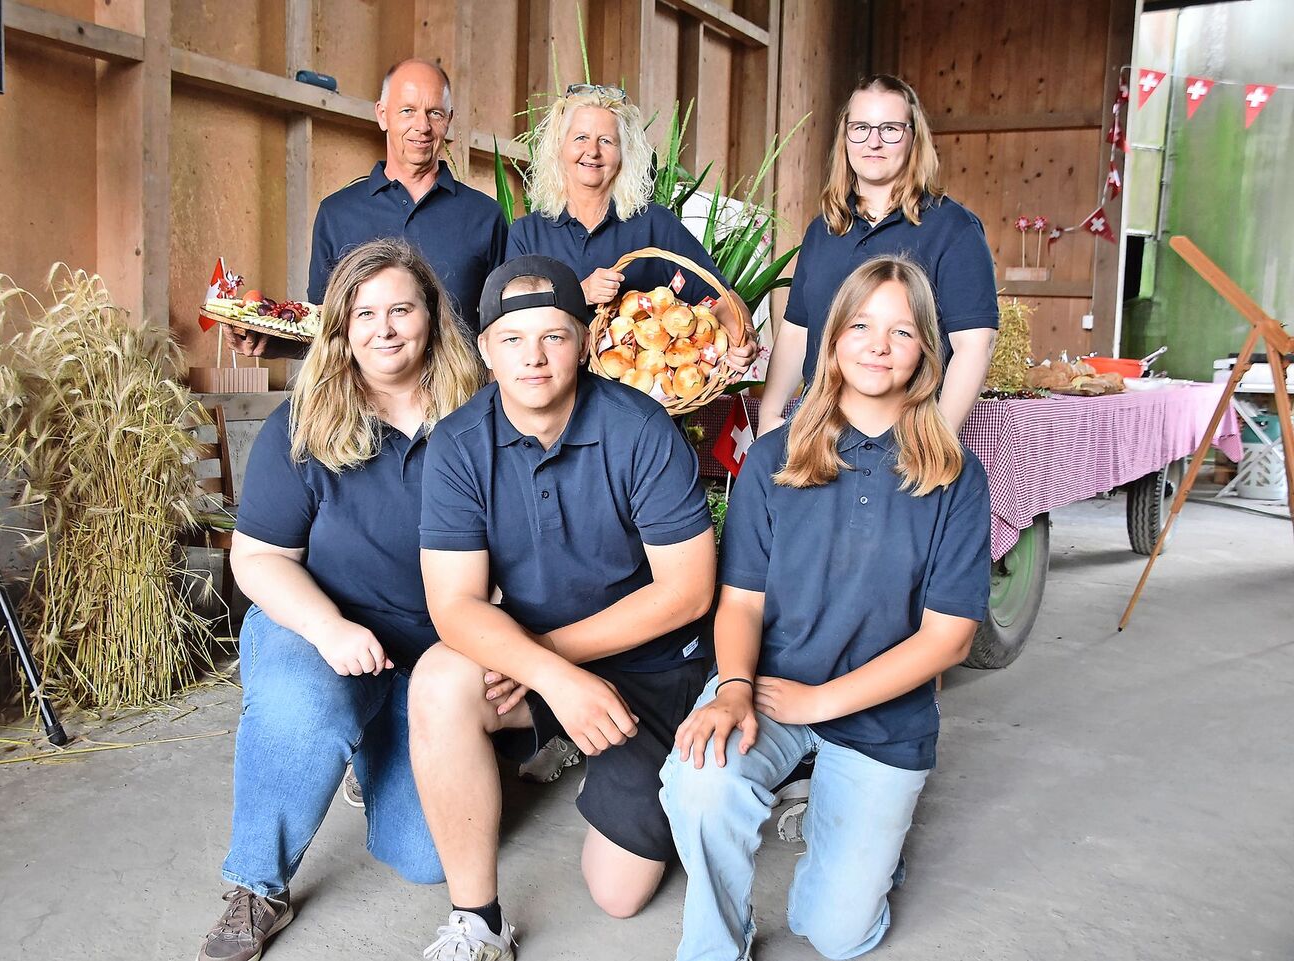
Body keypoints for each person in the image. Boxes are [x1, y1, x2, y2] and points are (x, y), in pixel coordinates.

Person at [659, 255, 992, 961]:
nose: (878, 345)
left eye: (902, 331)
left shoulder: (954, 476)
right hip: (772, 687)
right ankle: (715, 945)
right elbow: (741, 601)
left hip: (882, 714)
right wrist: (735, 688)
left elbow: (949, 639)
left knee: (837, 934)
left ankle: (859, 835)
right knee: (702, 779)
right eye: (861, 326)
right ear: (833, 338)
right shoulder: (773, 459)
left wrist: (822, 703)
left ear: (926, 352)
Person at [411, 255, 717, 959]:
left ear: (585, 342)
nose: (534, 357)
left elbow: (689, 590)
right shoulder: (458, 443)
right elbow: (454, 606)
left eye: (554, 335)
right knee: (439, 679)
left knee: (617, 893)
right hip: (542, 667)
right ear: (486, 351)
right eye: (513, 339)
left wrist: (550, 661)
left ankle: (701, 775)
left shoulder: (640, 427)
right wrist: (553, 678)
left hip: (652, 668)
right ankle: (477, 922)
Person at [197, 240, 483, 961]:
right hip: (321, 633)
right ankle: (258, 886)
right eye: (365, 314)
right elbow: (258, 559)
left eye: (402, 309)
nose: (385, 329)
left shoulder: (481, 416)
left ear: (432, 317)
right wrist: (328, 628)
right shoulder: (305, 422)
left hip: (433, 656)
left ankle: (372, 742)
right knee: (304, 705)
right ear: (342, 329)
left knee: (428, 858)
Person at [758, 75, 998, 436]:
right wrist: (769, 413)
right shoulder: (823, 230)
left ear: (914, 137)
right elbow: (797, 331)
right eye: (861, 128)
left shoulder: (954, 229)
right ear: (845, 137)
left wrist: (937, 439)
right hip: (818, 430)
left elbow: (975, 344)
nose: (873, 141)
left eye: (890, 129)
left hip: (905, 433)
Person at [222, 58, 506, 359]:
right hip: (360, 391)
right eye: (407, 111)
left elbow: (505, 330)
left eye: (434, 113)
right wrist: (272, 344)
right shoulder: (337, 214)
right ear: (382, 115)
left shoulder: (486, 217)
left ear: (448, 119)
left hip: (458, 389)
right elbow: (324, 329)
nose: (422, 126)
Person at [508, 83, 756, 369]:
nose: (592, 151)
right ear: (559, 147)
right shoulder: (527, 234)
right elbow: (511, 322)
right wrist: (578, 293)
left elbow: (720, 299)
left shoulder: (655, 225)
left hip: (638, 394)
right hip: (549, 391)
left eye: (606, 141)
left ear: (624, 154)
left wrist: (743, 337)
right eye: (580, 138)